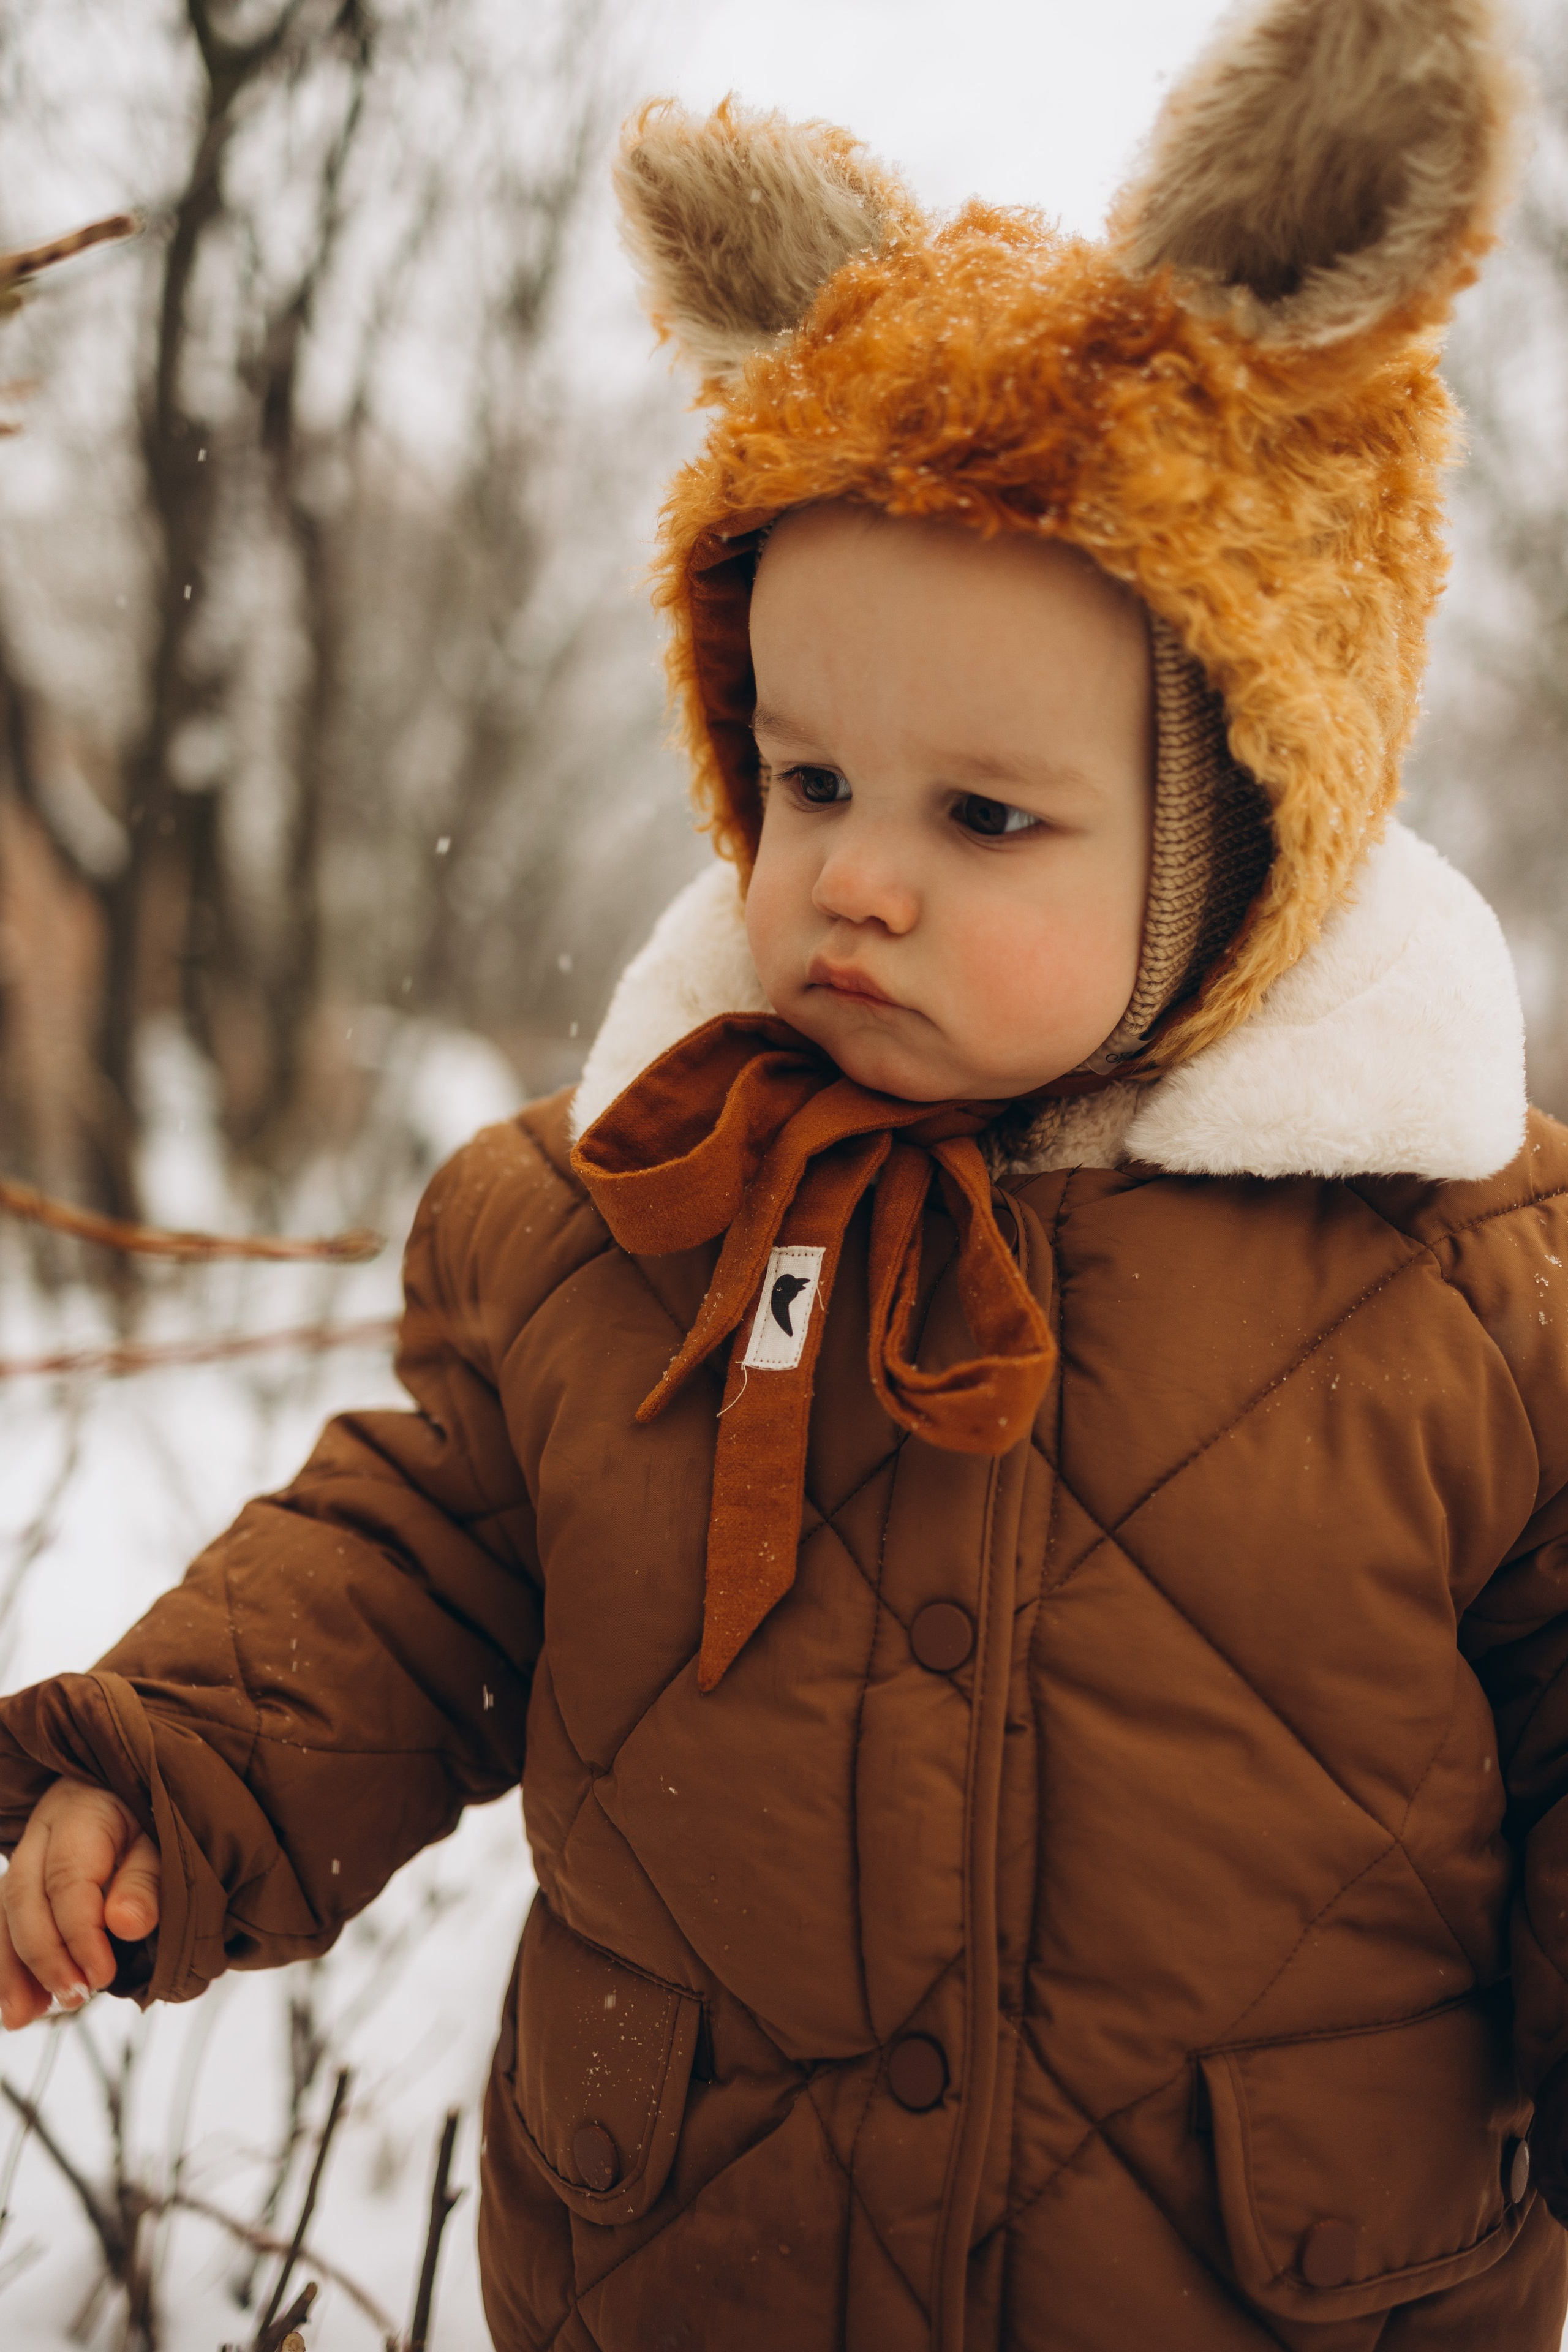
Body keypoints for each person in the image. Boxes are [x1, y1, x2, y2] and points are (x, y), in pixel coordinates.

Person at [1, 1, 1564, 2344]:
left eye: (986, 817)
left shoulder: (1471, 1281)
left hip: (1280, 2283)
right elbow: (418, 1567)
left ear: (1245, 827)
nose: (853, 879)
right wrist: (178, 1777)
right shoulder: (619, 1215)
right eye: (809, 780)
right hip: (701, 2254)